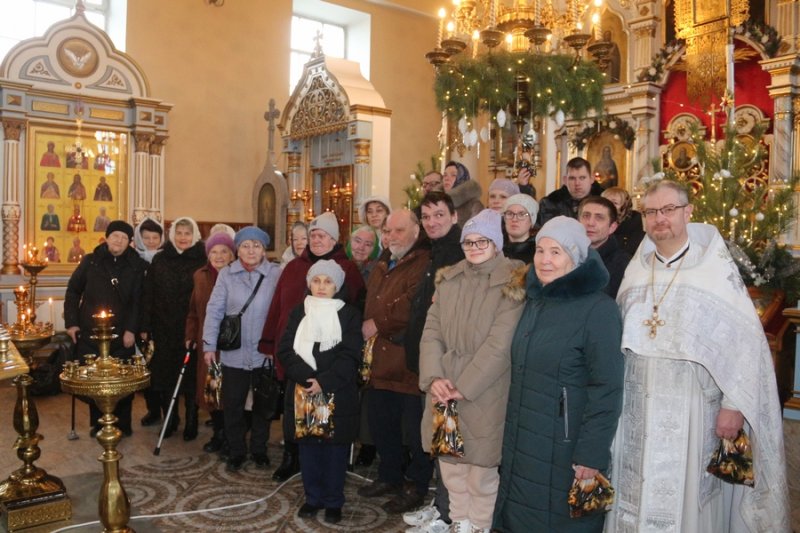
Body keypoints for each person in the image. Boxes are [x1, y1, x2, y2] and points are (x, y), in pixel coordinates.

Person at [606, 180, 790, 532]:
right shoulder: (637, 270)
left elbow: (743, 343)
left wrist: (733, 404)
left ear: (688, 212)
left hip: (692, 409)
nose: (660, 218)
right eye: (651, 212)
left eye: (669, 209)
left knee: (686, 500)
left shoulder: (713, 271)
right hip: (636, 408)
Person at [493, 216, 624, 532]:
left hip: (567, 448)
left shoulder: (599, 310)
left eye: (556, 252)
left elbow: (607, 387)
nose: (545, 260)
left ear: (576, 257)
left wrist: (591, 454)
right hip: (524, 441)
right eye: (540, 251)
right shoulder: (535, 301)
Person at [419, 209, 526, 533]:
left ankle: (479, 526)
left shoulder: (513, 280)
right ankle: (459, 523)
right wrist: (434, 378)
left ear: (496, 243)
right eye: (469, 241)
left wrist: (463, 387)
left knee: (481, 473)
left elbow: (500, 345)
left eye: (482, 241)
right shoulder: (449, 279)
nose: (475, 247)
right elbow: (431, 332)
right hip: (444, 383)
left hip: (485, 390)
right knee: (451, 470)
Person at [258, 211, 365, 482]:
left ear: (334, 240)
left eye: (323, 236)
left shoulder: (347, 269)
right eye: (313, 235)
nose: (317, 240)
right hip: (295, 356)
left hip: (330, 363)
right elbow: (278, 304)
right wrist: (269, 340)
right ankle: (291, 456)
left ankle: (329, 472)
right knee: (293, 409)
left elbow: (355, 309)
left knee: (330, 421)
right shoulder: (294, 267)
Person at [358, 209, 433, 514]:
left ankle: (416, 484)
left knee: (415, 432)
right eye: (387, 231)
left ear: (416, 230)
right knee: (382, 424)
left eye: (399, 230)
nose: (391, 237)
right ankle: (389, 476)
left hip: (407, 362)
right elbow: (372, 299)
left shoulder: (423, 261)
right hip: (379, 359)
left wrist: (378, 323)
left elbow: (412, 304)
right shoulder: (383, 261)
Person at [278, 260, 362, 524]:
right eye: (316, 281)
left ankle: (334, 501)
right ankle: (313, 498)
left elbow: (350, 354)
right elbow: (285, 350)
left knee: (335, 450)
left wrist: (324, 382)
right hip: (304, 391)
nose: (322, 286)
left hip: (336, 391)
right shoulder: (299, 312)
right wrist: (306, 378)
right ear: (309, 284)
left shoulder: (349, 315)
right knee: (309, 447)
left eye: (328, 281)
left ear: (337, 286)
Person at [403, 190, 465, 532]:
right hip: (430, 364)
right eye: (426, 217)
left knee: (447, 442)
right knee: (438, 441)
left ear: (454, 216)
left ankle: (448, 513)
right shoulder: (435, 251)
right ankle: (441, 505)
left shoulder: (457, 253)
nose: (432, 222)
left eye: (439, 214)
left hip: (446, 366)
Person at [203, 227, 282, 471]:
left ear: (264, 250)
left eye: (256, 246)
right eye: (246, 246)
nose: (251, 250)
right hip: (233, 352)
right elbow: (214, 310)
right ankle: (236, 449)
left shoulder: (276, 274)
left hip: (264, 353)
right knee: (233, 404)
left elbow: (282, 311)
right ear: (238, 250)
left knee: (262, 405)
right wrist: (209, 345)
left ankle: (259, 449)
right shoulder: (226, 275)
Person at [64, 220, 147, 437]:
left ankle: (123, 423)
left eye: (124, 237)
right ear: (107, 238)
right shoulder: (90, 261)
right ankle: (99, 423)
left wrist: (131, 330)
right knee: (95, 379)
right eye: (115, 236)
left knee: (122, 379)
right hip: (90, 331)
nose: (119, 240)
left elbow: (138, 301)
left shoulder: (136, 265)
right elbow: (73, 291)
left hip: (121, 333)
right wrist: (72, 323)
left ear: (130, 242)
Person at [140, 217, 207, 438]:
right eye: (179, 233)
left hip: (191, 327)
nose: (183, 237)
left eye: (187, 233)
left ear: (194, 235)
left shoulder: (203, 259)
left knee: (190, 377)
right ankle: (170, 419)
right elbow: (148, 294)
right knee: (166, 376)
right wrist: (146, 325)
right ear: (172, 235)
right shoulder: (160, 259)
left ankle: (191, 421)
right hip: (164, 327)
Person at [186, 231, 236, 452]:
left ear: (232, 254)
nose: (219, 256)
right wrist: (190, 335)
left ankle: (232, 436)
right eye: (214, 252)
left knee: (231, 392)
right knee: (212, 389)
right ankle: (219, 433)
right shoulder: (200, 276)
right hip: (208, 344)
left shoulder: (238, 275)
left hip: (233, 344)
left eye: (224, 251)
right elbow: (193, 311)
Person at [578, 196, 630, 298]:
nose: (590, 223)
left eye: (599, 218)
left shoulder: (624, 265)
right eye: (586, 216)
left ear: (612, 227)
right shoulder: (565, 256)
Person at [537, 157, 604, 225]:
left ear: (592, 179)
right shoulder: (550, 203)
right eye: (572, 178)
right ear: (565, 180)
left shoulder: (605, 201)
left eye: (582, 178)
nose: (577, 183)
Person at [602, 186, 645, 257]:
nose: (608, 206)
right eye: (605, 202)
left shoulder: (634, 224)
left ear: (625, 207)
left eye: (615, 203)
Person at [443, 161, 483, 228]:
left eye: (453, 175)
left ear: (461, 177)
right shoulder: (437, 202)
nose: (446, 178)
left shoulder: (474, 205)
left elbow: (476, 230)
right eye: (445, 175)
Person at [502, 193, 539, 264]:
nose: (514, 219)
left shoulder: (538, 252)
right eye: (510, 214)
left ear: (531, 221)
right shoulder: (495, 249)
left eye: (522, 214)